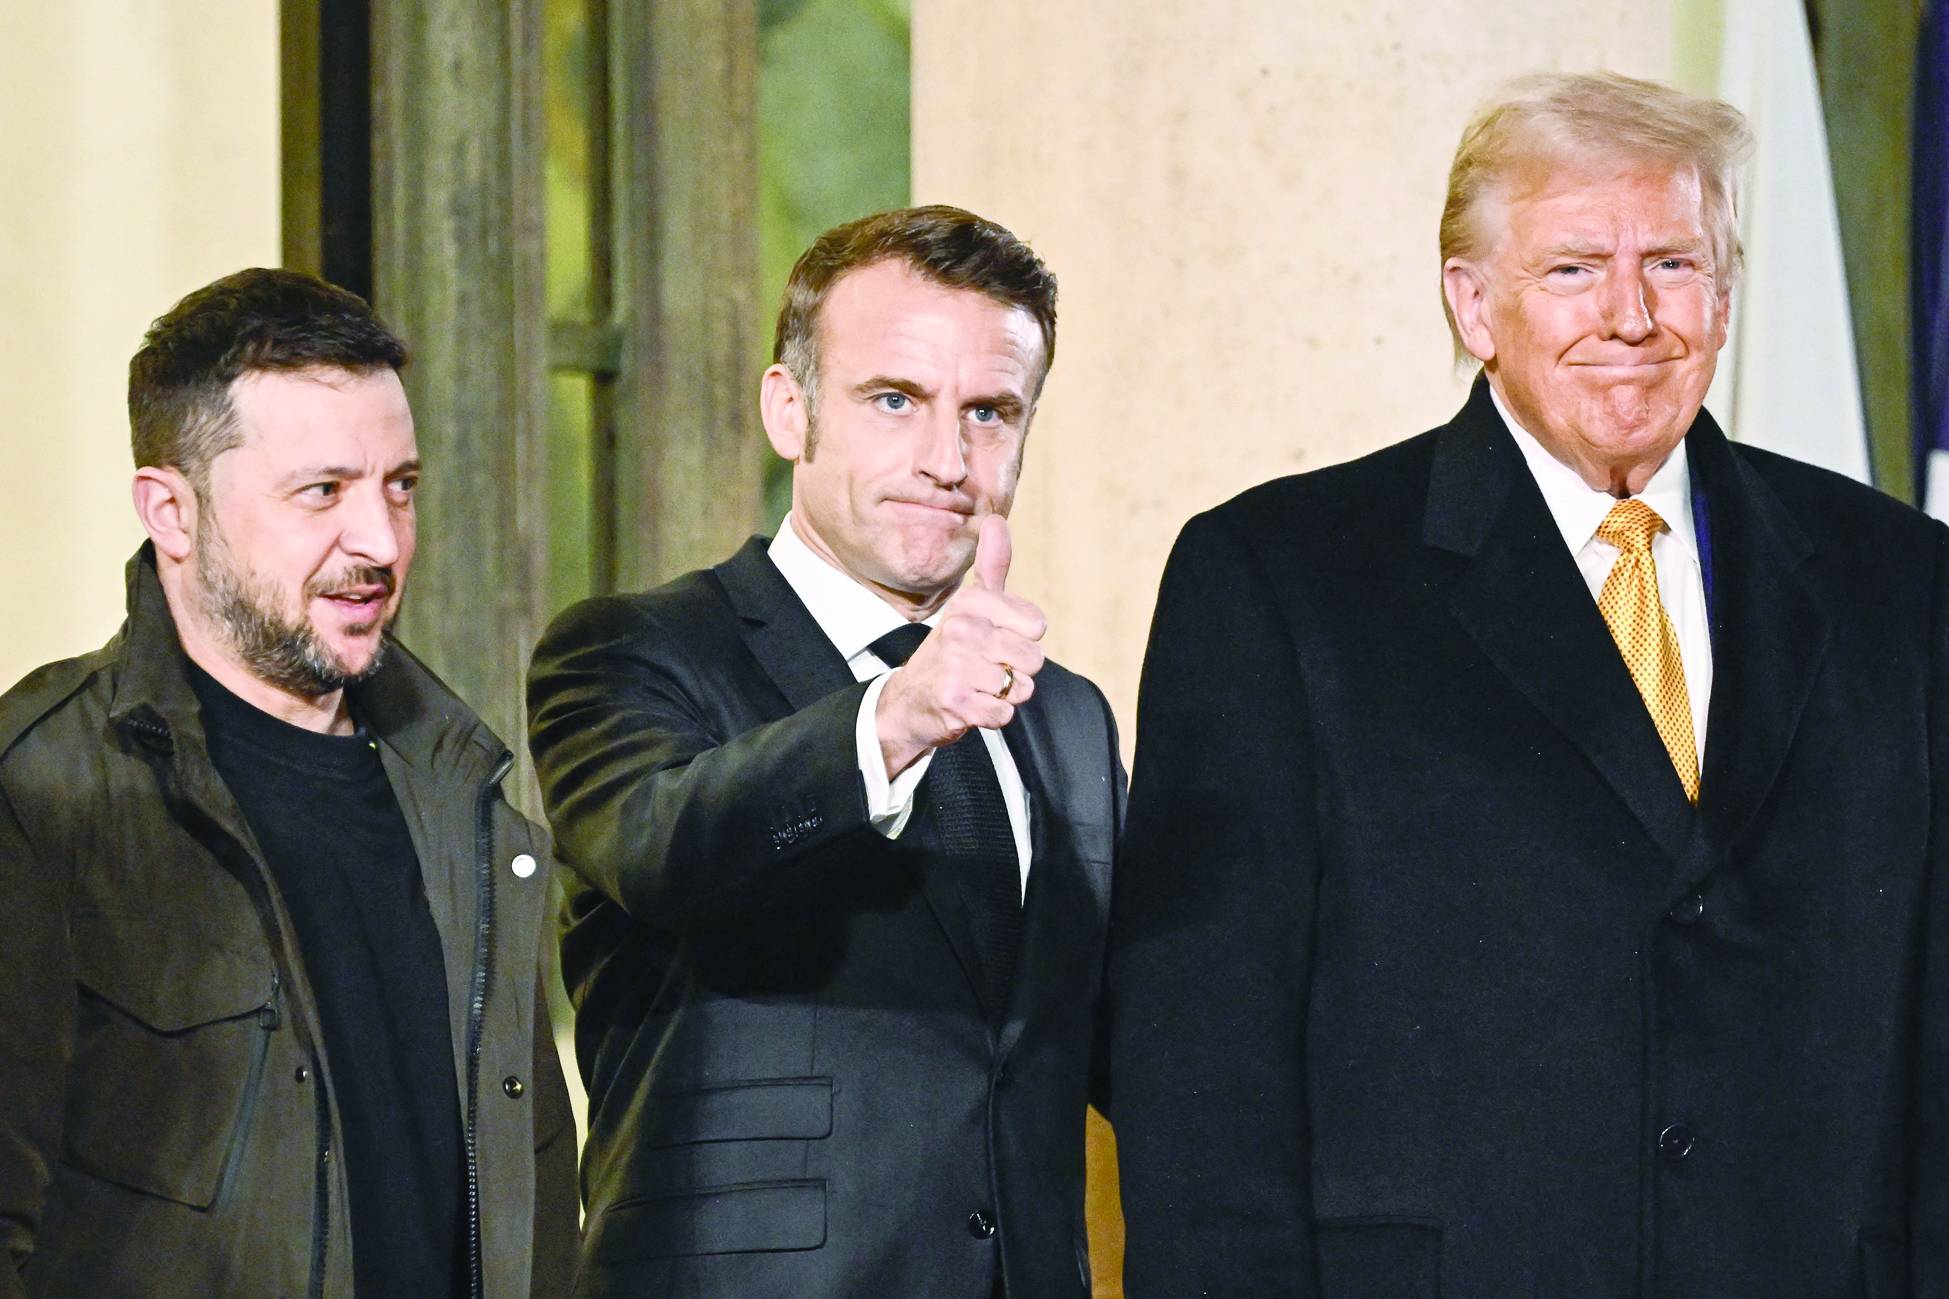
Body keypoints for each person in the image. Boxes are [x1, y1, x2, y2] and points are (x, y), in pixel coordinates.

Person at [1109, 71, 1949, 1296]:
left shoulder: (1900, 582)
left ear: (1722, 298)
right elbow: (1198, 1064)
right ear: (1471, 303)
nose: (1628, 316)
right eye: (1570, 268)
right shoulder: (1280, 578)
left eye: (1671, 264)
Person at [528, 205, 1122, 1298]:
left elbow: (1134, 1037)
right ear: (787, 409)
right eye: (894, 400)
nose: (946, 460)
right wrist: (895, 716)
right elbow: (662, 846)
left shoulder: (1068, 718)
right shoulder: (629, 649)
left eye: (988, 413)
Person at [0, 268, 576, 1298]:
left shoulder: (464, 796)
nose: (380, 541)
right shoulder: (42, 788)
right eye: (323, 492)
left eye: (400, 486)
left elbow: (531, 1190)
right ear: (171, 511)